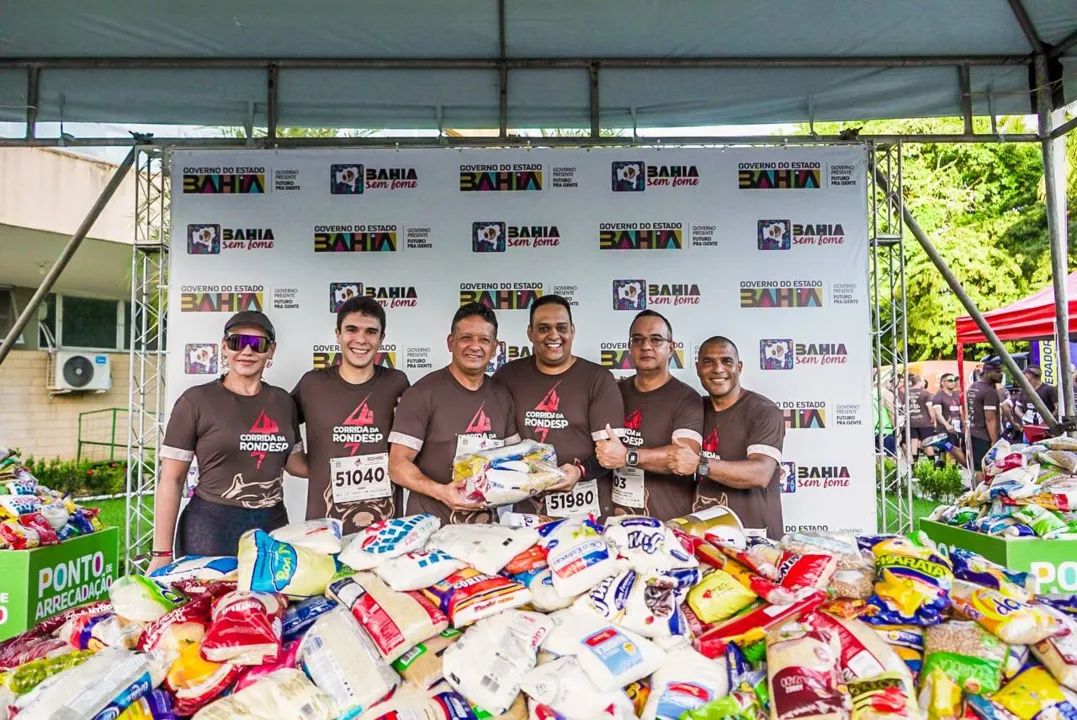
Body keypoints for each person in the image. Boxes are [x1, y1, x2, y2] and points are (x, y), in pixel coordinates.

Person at [151, 311, 305, 570]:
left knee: (270, 606)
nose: (247, 351)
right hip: (211, 525)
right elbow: (171, 479)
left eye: (257, 344)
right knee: (209, 607)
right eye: (237, 342)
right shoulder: (195, 401)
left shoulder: (283, 402)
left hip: (271, 524)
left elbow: (296, 464)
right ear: (224, 347)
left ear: (271, 351)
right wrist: (161, 553)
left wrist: (352, 461)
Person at [494, 295, 624, 518]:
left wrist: (579, 472)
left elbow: (611, 453)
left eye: (561, 327)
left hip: (586, 513)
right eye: (543, 328)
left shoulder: (597, 378)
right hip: (528, 513)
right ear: (530, 333)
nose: (553, 335)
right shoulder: (508, 375)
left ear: (572, 330)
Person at [388, 302, 519, 524]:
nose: (475, 346)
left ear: (495, 347)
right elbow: (397, 465)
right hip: (430, 530)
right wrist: (441, 491)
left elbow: (514, 460)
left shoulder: (502, 396)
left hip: (485, 532)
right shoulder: (422, 393)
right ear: (451, 342)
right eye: (466, 338)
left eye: (484, 340)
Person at [291, 297, 410, 533]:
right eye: (351, 330)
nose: (361, 340)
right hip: (324, 528)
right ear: (338, 334)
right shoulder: (312, 383)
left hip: (384, 529)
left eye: (371, 332)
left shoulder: (397, 382)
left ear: (381, 339)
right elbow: (275, 426)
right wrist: (309, 466)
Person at [596, 310, 703, 520]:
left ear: (671, 348)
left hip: (668, 524)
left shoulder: (687, 398)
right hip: (616, 522)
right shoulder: (613, 392)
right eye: (638, 340)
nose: (646, 346)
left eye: (656, 339)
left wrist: (627, 456)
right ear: (629, 347)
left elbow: (684, 456)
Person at [679, 337, 786, 539]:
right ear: (697, 368)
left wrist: (699, 465)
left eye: (726, 361)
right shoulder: (694, 410)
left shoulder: (763, 411)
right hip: (706, 536)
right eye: (708, 362)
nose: (718, 369)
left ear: (739, 367)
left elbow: (760, 473)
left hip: (754, 537)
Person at [967, 360, 1002, 480]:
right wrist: (994, 440)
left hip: (972, 431)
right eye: (997, 372)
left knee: (977, 467)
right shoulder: (989, 392)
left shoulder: (973, 386)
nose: (1000, 375)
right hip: (984, 435)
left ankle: (976, 492)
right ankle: (981, 495)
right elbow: (990, 418)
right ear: (986, 372)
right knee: (984, 469)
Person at [929, 372, 967, 466]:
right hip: (945, 430)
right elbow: (938, 414)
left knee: (953, 450)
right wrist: (947, 425)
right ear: (943, 382)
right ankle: (949, 470)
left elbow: (961, 412)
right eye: (950, 380)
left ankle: (943, 464)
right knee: (950, 450)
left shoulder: (956, 395)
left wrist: (965, 425)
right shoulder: (938, 396)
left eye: (954, 380)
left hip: (956, 430)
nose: (953, 382)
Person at [1013, 365, 1058, 440]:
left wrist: (1047, 420)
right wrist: (1023, 416)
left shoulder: (1049, 390)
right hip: (1028, 429)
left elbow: (1057, 408)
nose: (1023, 377)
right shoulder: (1025, 390)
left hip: (1046, 431)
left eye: (1024, 374)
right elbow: (1017, 407)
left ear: (1030, 375)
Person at [906, 374, 935, 461]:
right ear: (920, 382)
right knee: (928, 443)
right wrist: (934, 420)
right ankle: (932, 465)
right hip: (925, 422)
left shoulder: (906, 393)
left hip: (911, 422)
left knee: (913, 443)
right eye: (923, 381)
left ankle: (913, 466)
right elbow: (930, 409)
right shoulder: (926, 393)